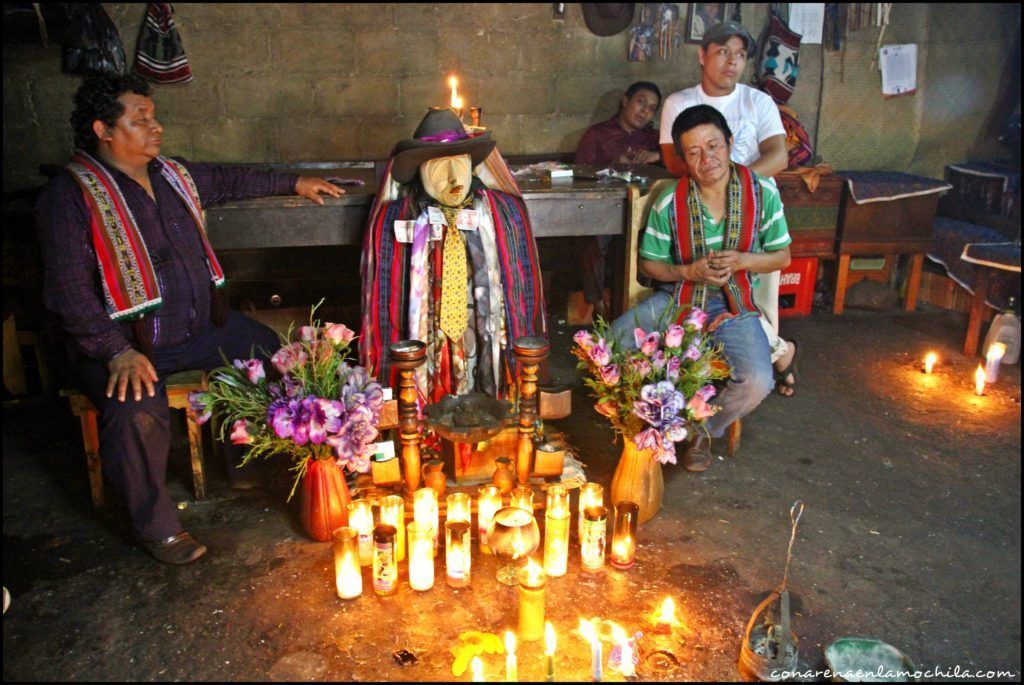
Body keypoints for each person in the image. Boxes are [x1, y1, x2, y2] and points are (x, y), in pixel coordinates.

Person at [36, 74, 344, 565]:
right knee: (137, 411)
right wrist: (115, 351)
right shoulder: (70, 196)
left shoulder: (170, 174)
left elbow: (230, 179)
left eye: (154, 117)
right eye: (140, 120)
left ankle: (248, 462)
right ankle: (157, 527)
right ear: (103, 129)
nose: (155, 127)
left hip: (199, 330)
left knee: (277, 357)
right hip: (126, 345)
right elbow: (69, 293)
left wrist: (296, 181)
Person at [610, 104, 791, 471]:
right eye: (693, 152)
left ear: (729, 142)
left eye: (714, 146)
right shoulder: (670, 202)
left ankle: (702, 431)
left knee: (758, 380)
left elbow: (782, 256)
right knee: (610, 345)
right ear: (682, 160)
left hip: (733, 305)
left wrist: (741, 260)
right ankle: (652, 423)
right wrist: (688, 270)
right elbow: (650, 265)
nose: (707, 158)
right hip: (677, 299)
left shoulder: (762, 193)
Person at [360, 108, 546, 404]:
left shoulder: (503, 214)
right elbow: (386, 298)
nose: (452, 177)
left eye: (460, 163)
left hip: (483, 337)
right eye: (438, 166)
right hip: (426, 343)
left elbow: (518, 289)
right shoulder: (395, 219)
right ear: (420, 171)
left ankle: (490, 409)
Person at [659, 20, 798, 397]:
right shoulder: (680, 103)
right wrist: (712, 185)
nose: (732, 62)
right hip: (698, 210)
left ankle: (766, 356)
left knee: (752, 295)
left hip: (754, 212)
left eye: (739, 54)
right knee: (702, 283)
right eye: (722, 52)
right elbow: (674, 163)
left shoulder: (758, 101)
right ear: (702, 55)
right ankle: (772, 357)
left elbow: (778, 154)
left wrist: (736, 185)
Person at [575, 81, 663, 319]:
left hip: (642, 210)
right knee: (594, 240)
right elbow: (580, 171)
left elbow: (674, 160)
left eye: (652, 108)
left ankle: (640, 302)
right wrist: (614, 163)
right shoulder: (598, 133)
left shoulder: (654, 139)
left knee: (650, 240)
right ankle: (598, 305)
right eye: (640, 102)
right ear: (625, 100)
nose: (644, 111)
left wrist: (657, 156)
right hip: (603, 208)